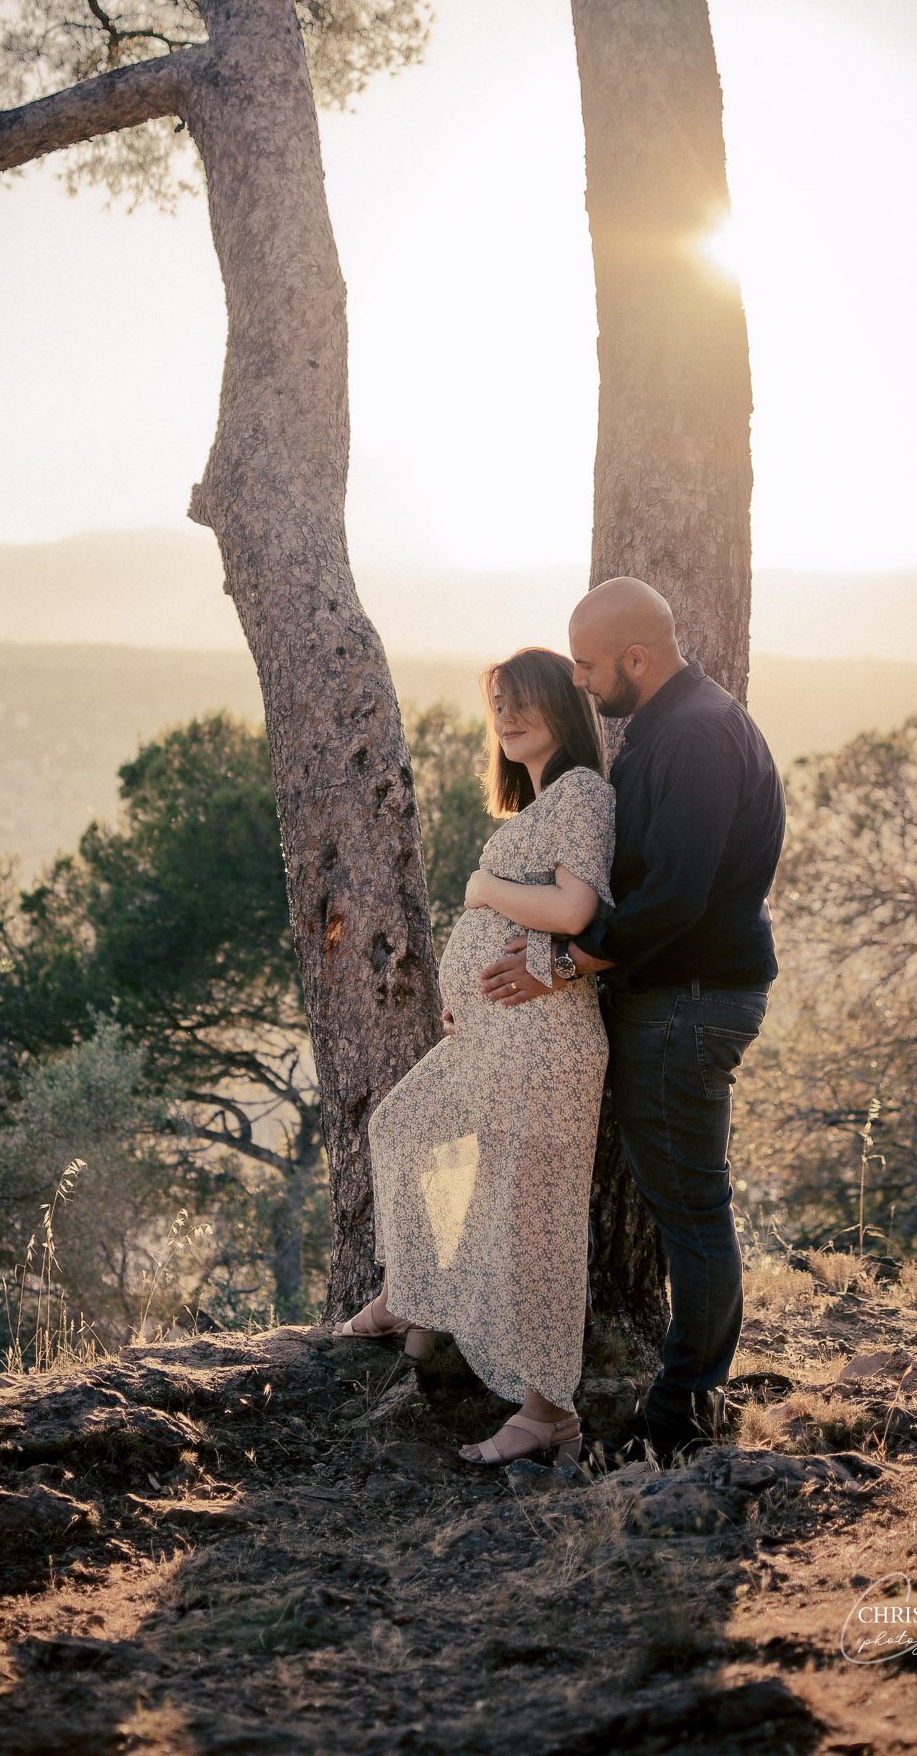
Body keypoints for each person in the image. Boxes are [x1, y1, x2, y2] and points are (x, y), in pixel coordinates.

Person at [480, 579, 786, 1466]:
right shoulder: (673, 722)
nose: (579, 682)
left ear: (636, 660)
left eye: (587, 665)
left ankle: (679, 1418)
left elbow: (676, 897)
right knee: (690, 1206)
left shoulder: (690, 734)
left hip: (687, 1005)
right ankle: (686, 1397)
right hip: (684, 1000)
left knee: (691, 1213)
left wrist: (568, 963)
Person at [333, 646, 616, 1469]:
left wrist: (483, 893)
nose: (507, 714)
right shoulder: (535, 804)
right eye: (496, 701)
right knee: (403, 1128)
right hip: (498, 1041)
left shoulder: (582, 793)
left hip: (547, 1046)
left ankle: (546, 1413)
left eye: (523, 699)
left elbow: (574, 906)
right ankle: (413, 1296)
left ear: (564, 707)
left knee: (535, 1223)